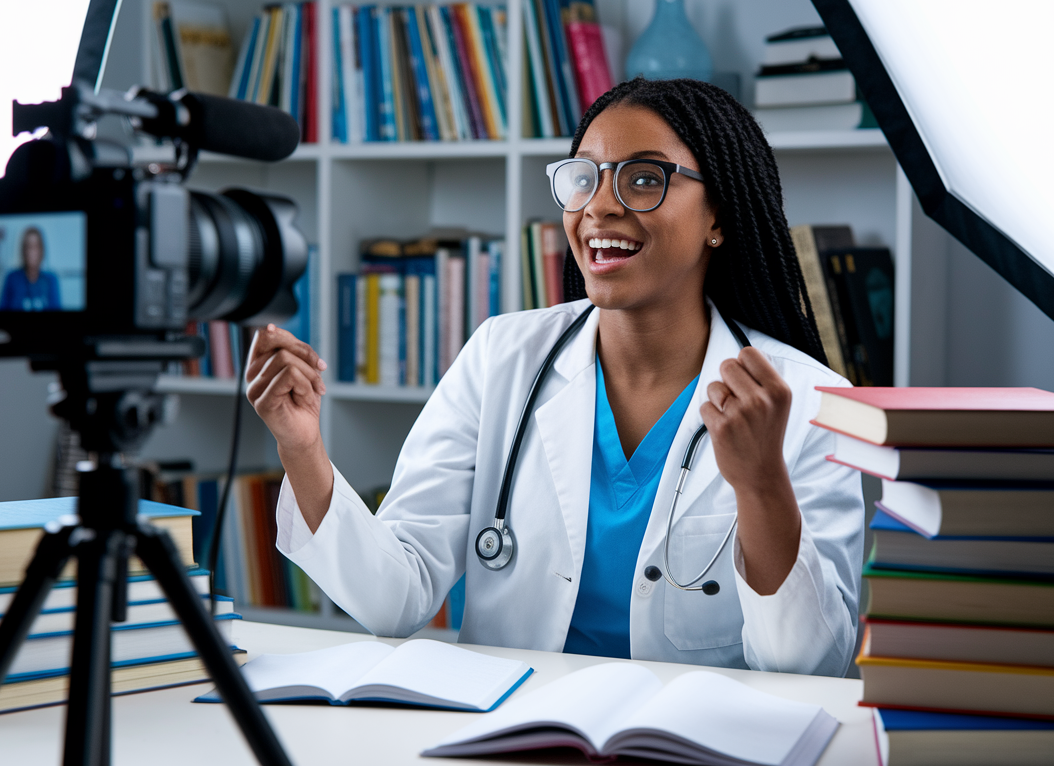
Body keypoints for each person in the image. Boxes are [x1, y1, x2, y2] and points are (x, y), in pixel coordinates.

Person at [247, 78, 863, 676]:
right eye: (583, 179)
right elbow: (395, 597)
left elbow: (807, 665)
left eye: (644, 179)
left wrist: (761, 489)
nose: (598, 207)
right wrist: (302, 449)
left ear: (718, 219)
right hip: (515, 729)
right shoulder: (501, 357)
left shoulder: (812, 401)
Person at [0, 226, 61, 311]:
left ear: (41, 250)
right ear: (23, 250)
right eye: (28, 247)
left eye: (35, 247)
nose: (31, 252)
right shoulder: (11, 278)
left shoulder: (51, 280)